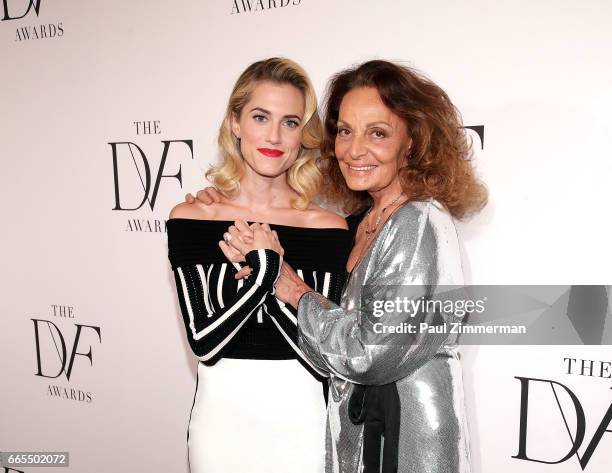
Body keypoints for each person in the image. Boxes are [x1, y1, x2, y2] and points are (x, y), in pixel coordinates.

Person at [215, 60, 487, 473]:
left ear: (411, 141)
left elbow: (369, 354)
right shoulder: (363, 222)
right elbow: (330, 353)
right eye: (345, 131)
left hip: (404, 445)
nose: (354, 149)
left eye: (377, 133)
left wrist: (295, 290)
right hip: (361, 439)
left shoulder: (419, 221)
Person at [167, 57, 353, 473]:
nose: (274, 135)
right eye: (260, 117)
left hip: (304, 426)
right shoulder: (193, 219)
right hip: (222, 431)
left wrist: (262, 271)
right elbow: (206, 343)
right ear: (235, 123)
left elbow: (321, 358)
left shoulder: (329, 227)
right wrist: (269, 270)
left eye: (290, 122)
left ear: (303, 134)